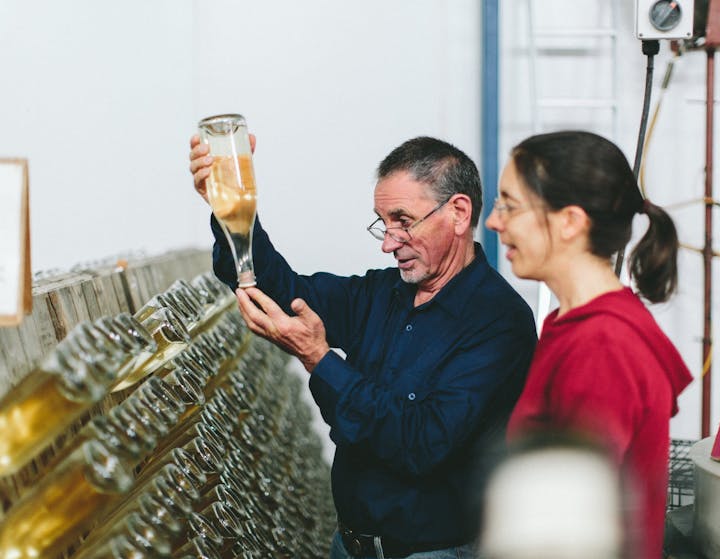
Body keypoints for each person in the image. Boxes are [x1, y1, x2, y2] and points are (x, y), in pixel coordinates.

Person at [190, 134, 536, 558]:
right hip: (349, 546)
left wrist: (319, 359)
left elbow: (421, 443)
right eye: (383, 222)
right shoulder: (381, 293)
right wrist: (231, 209)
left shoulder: (498, 321)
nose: (388, 242)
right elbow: (282, 292)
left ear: (458, 213)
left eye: (403, 220)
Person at [484, 130, 693, 559]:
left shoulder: (601, 347)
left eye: (509, 204)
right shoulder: (574, 324)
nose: (493, 220)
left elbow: (567, 539)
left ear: (570, 222)